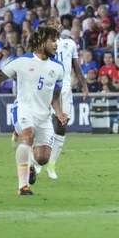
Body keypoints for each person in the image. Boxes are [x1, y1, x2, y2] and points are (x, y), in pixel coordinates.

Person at [0, 27, 67, 195]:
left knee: (43, 158)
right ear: (42, 42)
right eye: (53, 41)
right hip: (24, 108)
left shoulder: (58, 67)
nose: (56, 45)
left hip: (44, 116)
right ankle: (23, 186)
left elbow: (55, 95)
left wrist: (59, 111)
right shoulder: (21, 61)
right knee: (27, 135)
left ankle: (30, 163)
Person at [41, 20, 88, 180]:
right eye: (51, 24)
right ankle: (36, 160)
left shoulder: (70, 43)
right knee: (41, 123)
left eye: (56, 24)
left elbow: (76, 66)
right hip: (46, 88)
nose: (55, 26)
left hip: (65, 90)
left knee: (61, 126)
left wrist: (84, 84)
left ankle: (51, 165)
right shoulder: (41, 44)